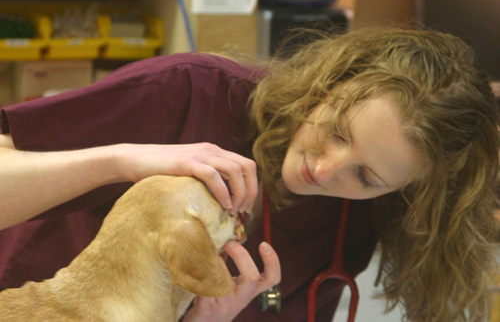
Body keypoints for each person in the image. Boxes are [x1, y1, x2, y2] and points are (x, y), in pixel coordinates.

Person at [0, 27, 498, 321]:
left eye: (366, 177)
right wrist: (118, 160)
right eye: (339, 132)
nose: (323, 171)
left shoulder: (356, 221)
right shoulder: (191, 90)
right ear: (333, 83)